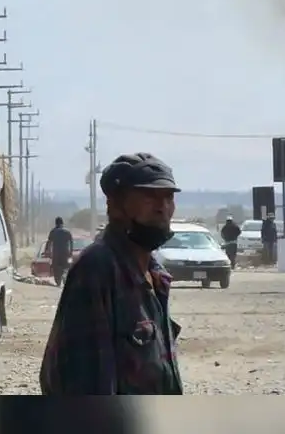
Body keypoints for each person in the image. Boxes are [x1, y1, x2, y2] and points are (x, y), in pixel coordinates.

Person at [39, 152, 184, 395]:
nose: (163, 208)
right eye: (149, 197)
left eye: (168, 197)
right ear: (115, 205)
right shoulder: (98, 269)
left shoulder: (153, 274)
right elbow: (83, 381)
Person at [45, 217, 75, 287]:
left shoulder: (53, 232)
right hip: (66, 254)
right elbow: (71, 242)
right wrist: (71, 252)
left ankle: (58, 282)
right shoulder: (67, 232)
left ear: (56, 223)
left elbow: (49, 242)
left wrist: (49, 252)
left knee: (56, 269)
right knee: (66, 268)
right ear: (62, 223)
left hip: (56, 254)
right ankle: (65, 279)